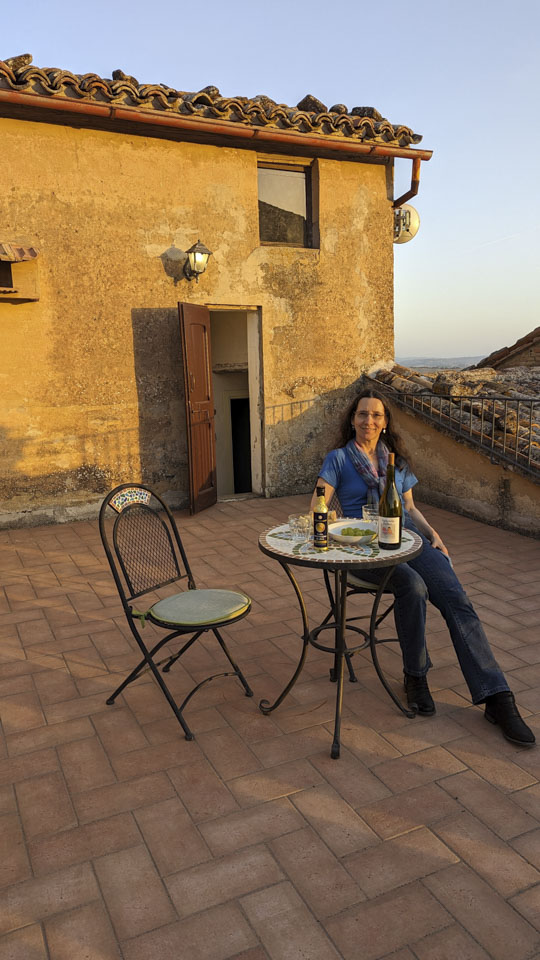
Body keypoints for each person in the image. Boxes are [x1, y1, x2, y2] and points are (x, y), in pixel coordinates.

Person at [311, 388, 535, 747]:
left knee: (456, 600)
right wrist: (329, 514)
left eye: (376, 415)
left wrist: (434, 534)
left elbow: (410, 508)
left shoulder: (396, 462)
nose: (369, 420)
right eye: (362, 414)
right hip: (365, 550)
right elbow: (318, 502)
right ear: (352, 420)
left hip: (408, 539)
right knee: (413, 587)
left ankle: (497, 696)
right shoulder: (337, 459)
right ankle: (415, 676)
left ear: (385, 424)